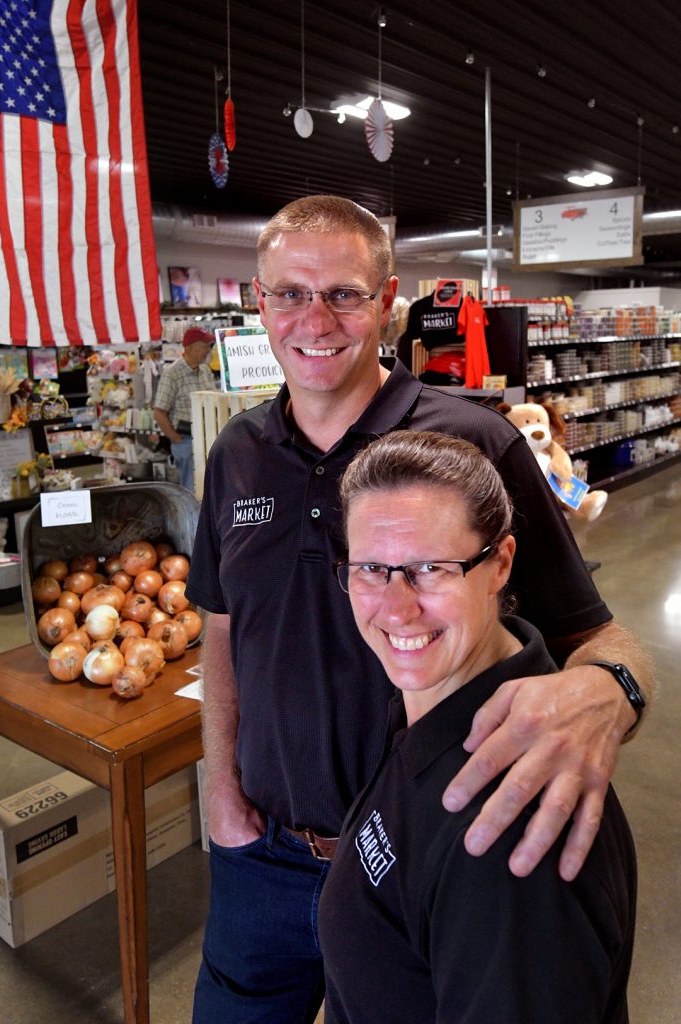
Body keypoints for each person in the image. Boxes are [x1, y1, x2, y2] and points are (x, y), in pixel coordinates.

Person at [185, 195, 653, 1023]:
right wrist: (220, 793)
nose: (314, 319)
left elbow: (600, 633)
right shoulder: (237, 454)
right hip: (262, 855)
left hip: (421, 857)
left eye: (345, 293)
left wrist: (610, 694)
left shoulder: (475, 445)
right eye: (289, 293)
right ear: (258, 302)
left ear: (389, 301)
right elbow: (223, 628)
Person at [318, 430, 636, 1024]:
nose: (396, 608)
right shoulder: (435, 707)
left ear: (501, 565)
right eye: (370, 568)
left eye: (430, 568)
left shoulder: (512, 832)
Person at [153, 326, 214, 492]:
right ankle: (194, 519)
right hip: (186, 440)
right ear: (191, 347)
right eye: (204, 346)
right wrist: (175, 438)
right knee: (190, 488)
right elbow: (159, 411)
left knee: (208, 487)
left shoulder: (205, 371)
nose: (208, 350)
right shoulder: (172, 374)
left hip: (208, 438)